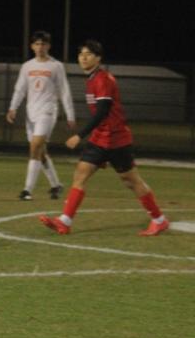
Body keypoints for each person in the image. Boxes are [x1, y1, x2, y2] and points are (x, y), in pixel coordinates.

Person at [39, 40, 169, 236]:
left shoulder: (103, 79)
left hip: (116, 139)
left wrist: (79, 135)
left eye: (88, 54)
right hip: (100, 138)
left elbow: (102, 112)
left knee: (131, 180)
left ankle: (159, 220)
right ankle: (64, 221)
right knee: (80, 174)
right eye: (81, 54)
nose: (83, 57)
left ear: (98, 58)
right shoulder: (92, 78)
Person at [5, 31, 75, 201]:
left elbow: (64, 91)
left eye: (43, 44)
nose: (40, 47)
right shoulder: (27, 66)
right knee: (41, 153)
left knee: (35, 147)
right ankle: (56, 185)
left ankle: (27, 190)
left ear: (49, 46)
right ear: (32, 46)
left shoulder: (56, 66)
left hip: (48, 111)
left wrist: (70, 115)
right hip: (31, 113)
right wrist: (13, 108)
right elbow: (20, 89)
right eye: (37, 44)